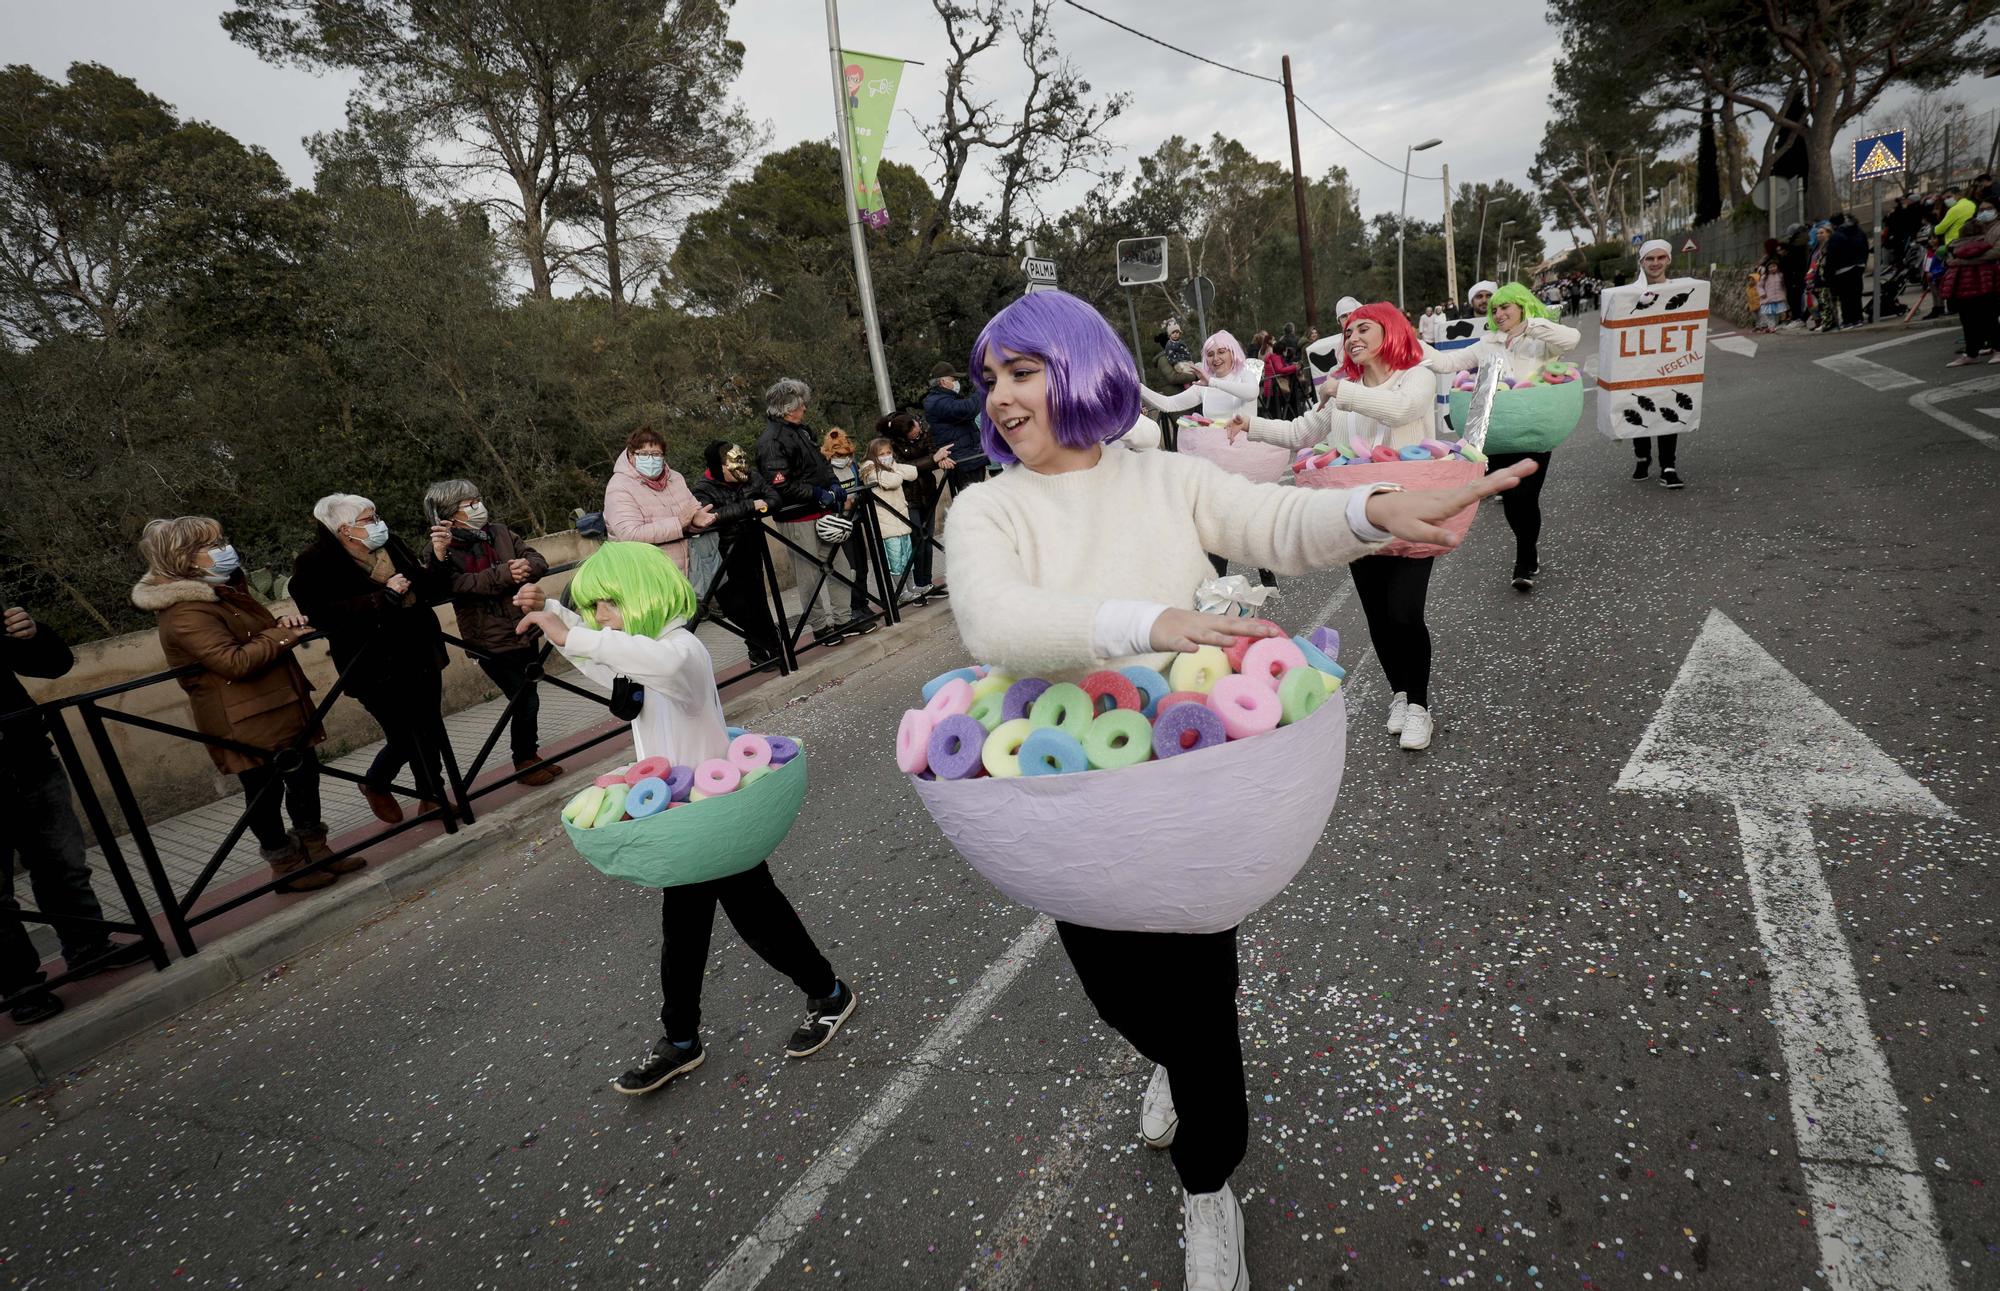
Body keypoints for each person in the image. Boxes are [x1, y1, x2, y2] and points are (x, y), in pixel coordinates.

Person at [945, 289, 1533, 1291]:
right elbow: (995, 624)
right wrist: (1152, 621)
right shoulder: (984, 505)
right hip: (1072, 802)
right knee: (1119, 998)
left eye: (1021, 371)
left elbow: (1270, 518)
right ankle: (1169, 1064)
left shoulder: (1164, 478)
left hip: (1193, 786)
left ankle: (1207, 1187)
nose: (998, 397)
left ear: (1080, 369)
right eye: (989, 378)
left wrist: (1372, 507)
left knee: (1201, 1004)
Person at [512, 543, 855, 1095]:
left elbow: (651, 661)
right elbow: (605, 658)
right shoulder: (641, 650)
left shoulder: (681, 649)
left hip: (712, 817)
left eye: (605, 604)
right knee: (697, 925)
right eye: (595, 608)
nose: (601, 617)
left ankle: (816, 998)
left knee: (749, 916)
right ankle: (687, 1037)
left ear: (637, 594)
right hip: (684, 820)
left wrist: (567, 629)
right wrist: (560, 614)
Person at [1231, 302, 1470, 748]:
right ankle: (1400, 693)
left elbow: (1402, 410)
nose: (1353, 338)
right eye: (1348, 334)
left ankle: (1419, 704)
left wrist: (1341, 391)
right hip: (1357, 515)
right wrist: (1252, 425)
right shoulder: (1344, 391)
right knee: (1378, 616)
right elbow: (1304, 431)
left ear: (1390, 332)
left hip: (1411, 512)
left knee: (1404, 612)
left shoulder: (1413, 374)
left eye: (1364, 329)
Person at [133, 517, 358, 894]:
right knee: (265, 793)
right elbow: (232, 661)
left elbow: (256, 633)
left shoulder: (226, 592)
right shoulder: (186, 611)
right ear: (183, 559)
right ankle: (286, 864)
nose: (224, 548)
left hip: (279, 706)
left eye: (222, 540)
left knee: (305, 779)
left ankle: (317, 851)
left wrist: (281, 624)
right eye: (211, 545)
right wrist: (283, 635)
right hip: (243, 721)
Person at [2, 606, 146, 1024]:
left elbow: (53, 665)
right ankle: (21, 987)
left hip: (26, 755)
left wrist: (31, 635)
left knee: (64, 863)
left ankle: (89, 947)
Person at [290, 494, 457, 824]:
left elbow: (429, 588)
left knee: (430, 728)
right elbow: (321, 614)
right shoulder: (314, 562)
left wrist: (438, 557)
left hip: (420, 651)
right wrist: (384, 597)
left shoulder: (389, 544)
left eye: (376, 516)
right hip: (371, 665)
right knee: (404, 736)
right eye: (368, 520)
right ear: (345, 529)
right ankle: (376, 782)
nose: (378, 523)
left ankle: (432, 797)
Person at [1429, 283, 1581, 592]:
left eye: (1505, 307)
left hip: (1534, 431)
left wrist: (1531, 326)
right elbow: (1448, 363)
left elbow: (1573, 339)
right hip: (1496, 433)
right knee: (1512, 501)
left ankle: (1524, 559)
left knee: (1527, 496)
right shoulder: (1487, 343)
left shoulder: (1541, 339)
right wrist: (1407, 347)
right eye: (1494, 309)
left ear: (1522, 306)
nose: (1498, 313)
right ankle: (1528, 550)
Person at [423, 479, 560, 785]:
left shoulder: (498, 531)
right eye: (469, 503)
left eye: (478, 499)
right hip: (488, 638)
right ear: (450, 512)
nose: (478, 506)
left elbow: (537, 558)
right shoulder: (441, 549)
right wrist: (502, 574)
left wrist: (526, 566)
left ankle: (530, 755)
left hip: (523, 625)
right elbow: (451, 585)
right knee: (524, 698)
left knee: (529, 694)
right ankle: (523, 760)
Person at [1138, 330, 1274, 587]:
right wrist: (1138, 387)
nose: (1215, 358)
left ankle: (1266, 570)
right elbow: (1168, 404)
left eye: (1221, 351)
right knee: (1219, 522)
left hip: (1247, 460)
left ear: (1232, 352)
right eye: (1210, 354)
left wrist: (1213, 383)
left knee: (1249, 520)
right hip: (1218, 464)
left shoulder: (1243, 376)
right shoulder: (1205, 389)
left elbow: (1250, 393)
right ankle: (1217, 584)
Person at [756, 379, 851, 649]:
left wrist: (833, 484)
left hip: (821, 513)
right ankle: (821, 627)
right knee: (808, 575)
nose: (805, 408)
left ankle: (844, 618)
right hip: (796, 517)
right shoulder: (771, 441)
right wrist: (816, 493)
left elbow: (821, 463)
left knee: (839, 566)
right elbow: (780, 484)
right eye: (800, 404)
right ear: (788, 408)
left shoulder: (801, 431)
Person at [689, 440, 784, 665]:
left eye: (743, 460)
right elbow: (710, 517)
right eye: (735, 462)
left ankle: (767, 652)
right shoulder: (703, 488)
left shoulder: (752, 477)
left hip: (751, 547)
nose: (743, 467)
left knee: (758, 602)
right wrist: (750, 506)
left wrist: (758, 506)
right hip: (722, 556)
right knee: (733, 608)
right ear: (719, 467)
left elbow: (774, 500)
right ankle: (769, 641)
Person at [604, 427, 714, 577]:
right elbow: (629, 534)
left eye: (656, 454)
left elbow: (688, 516)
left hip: (684, 571)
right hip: (646, 575)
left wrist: (695, 523)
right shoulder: (619, 486)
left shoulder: (675, 478)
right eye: (643, 454)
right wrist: (679, 522)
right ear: (630, 455)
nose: (650, 459)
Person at [1624, 241, 1687, 488]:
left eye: (1661, 257)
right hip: (1637, 362)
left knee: (1669, 409)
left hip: (1668, 361)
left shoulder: (1681, 291)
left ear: (1668, 260)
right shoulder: (1628, 294)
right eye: (1650, 259)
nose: (1656, 263)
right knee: (1641, 408)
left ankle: (1668, 467)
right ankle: (1642, 457)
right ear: (1641, 262)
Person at [881, 410, 951, 601]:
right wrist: (932, 460)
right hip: (908, 497)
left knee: (927, 539)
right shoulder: (891, 446)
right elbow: (904, 469)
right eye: (914, 432)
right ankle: (917, 587)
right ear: (904, 434)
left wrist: (939, 459)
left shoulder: (924, 433)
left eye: (919, 429)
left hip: (927, 492)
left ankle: (927, 583)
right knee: (917, 541)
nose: (918, 433)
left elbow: (932, 454)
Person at [819, 428, 879, 636]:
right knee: (849, 570)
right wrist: (841, 506)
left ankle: (862, 603)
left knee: (862, 567)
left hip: (855, 522)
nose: (843, 459)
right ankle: (851, 610)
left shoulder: (853, 466)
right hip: (838, 526)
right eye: (838, 455)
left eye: (846, 455)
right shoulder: (825, 471)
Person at [860, 435, 921, 592]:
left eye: (888, 452)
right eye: (881, 454)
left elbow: (913, 472)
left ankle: (912, 587)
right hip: (886, 523)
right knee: (895, 561)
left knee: (907, 557)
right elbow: (892, 482)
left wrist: (895, 468)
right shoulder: (870, 470)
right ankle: (901, 591)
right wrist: (897, 472)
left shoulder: (891, 467)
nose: (886, 456)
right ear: (873, 455)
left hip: (901, 520)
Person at [1940, 210, 2000, 366]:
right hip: (1985, 288)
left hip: (1962, 291)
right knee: (1990, 321)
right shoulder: (1985, 246)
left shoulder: (1954, 250)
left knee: (1969, 324)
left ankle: (1971, 353)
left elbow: (1950, 269)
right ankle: (1996, 350)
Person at [923, 362, 988, 494]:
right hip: (963, 463)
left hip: (970, 459)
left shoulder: (945, 399)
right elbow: (967, 410)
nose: (957, 382)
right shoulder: (938, 402)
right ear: (943, 381)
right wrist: (982, 388)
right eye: (953, 379)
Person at [1151, 320, 1201, 451]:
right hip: (1175, 398)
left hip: (1183, 396)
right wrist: (1196, 376)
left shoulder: (1177, 356)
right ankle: (1177, 457)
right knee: (1182, 431)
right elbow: (1172, 377)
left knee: (1187, 432)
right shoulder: (1164, 359)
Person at [1827, 213, 1869, 328]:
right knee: (1856, 294)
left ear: (1834, 224)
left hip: (1842, 269)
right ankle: (1858, 318)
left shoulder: (1837, 235)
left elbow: (1832, 255)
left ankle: (1848, 320)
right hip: (1858, 267)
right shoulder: (1859, 231)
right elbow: (1865, 248)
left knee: (1845, 297)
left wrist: (1829, 273)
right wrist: (1862, 263)